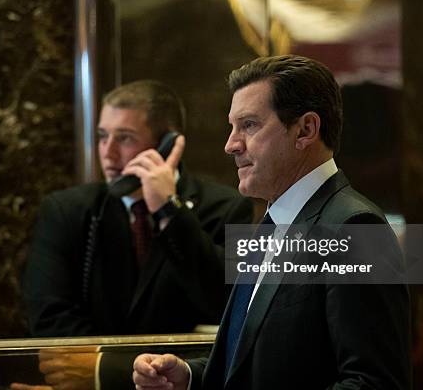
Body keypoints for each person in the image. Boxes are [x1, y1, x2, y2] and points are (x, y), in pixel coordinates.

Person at [133, 56, 411, 389]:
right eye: (232, 126)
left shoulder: (353, 227)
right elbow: (262, 357)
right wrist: (191, 376)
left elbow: (373, 382)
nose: (231, 144)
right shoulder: (273, 222)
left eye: (249, 125)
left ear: (305, 129)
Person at [16, 80, 253, 389]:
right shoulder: (66, 210)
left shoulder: (227, 207)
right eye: (102, 137)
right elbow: (50, 320)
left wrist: (169, 211)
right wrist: (125, 371)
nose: (108, 153)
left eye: (124, 138)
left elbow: (231, 309)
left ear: (168, 144)